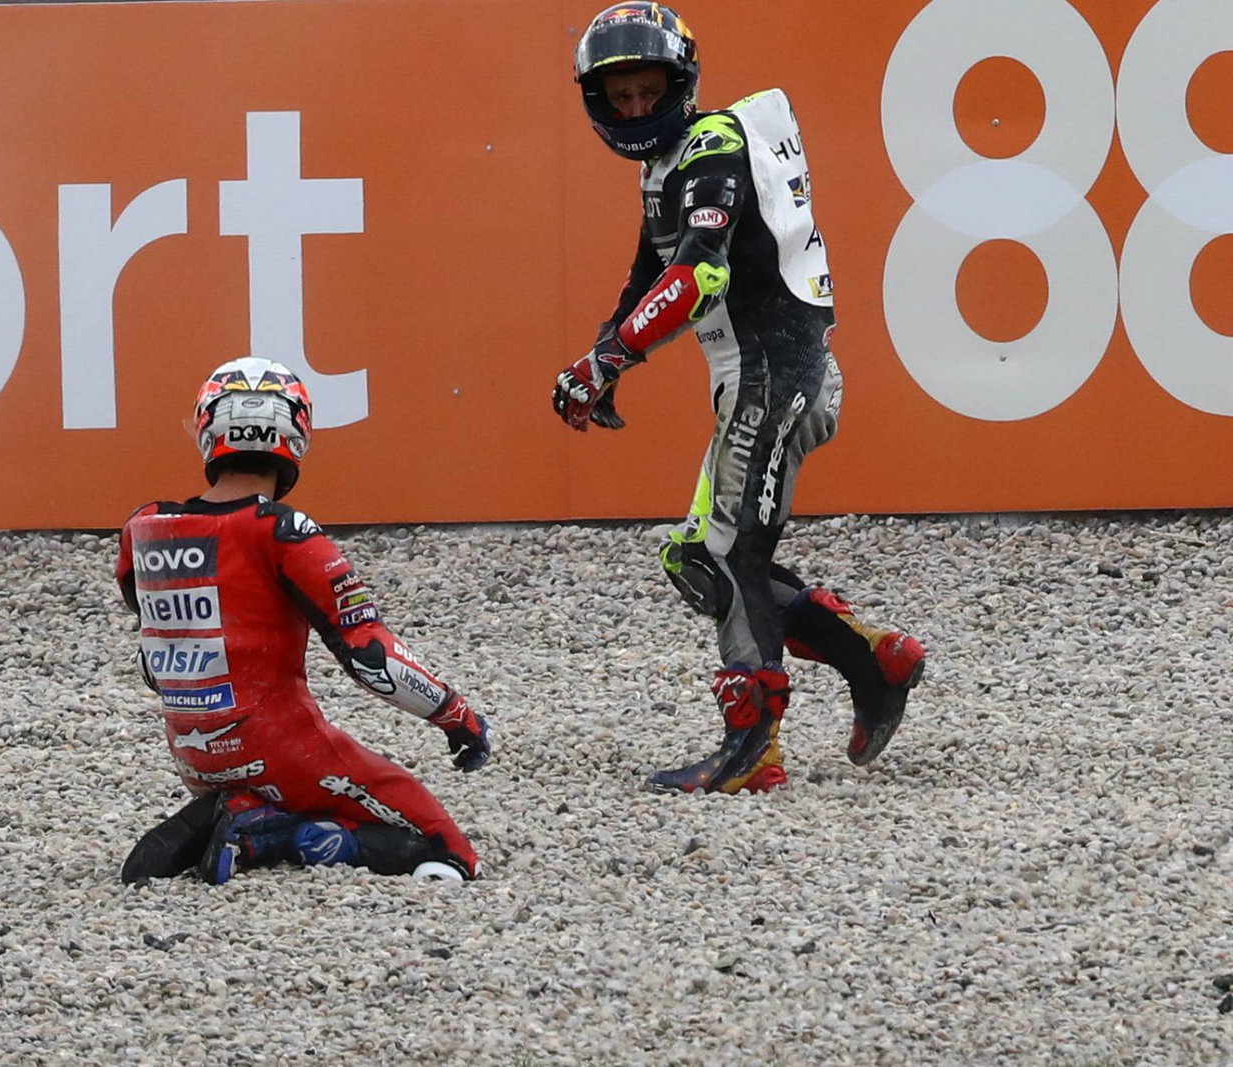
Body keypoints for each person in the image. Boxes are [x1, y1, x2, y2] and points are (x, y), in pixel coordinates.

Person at [553, 2, 926, 795]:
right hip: (758, 375)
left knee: (727, 553)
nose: (634, 109)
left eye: (647, 91)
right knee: (697, 556)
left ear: (678, 83)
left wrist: (610, 358)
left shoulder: (711, 147)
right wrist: (601, 359)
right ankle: (875, 659)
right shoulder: (669, 165)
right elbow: (648, 275)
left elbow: (700, 274)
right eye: (619, 98)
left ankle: (752, 744)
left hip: (776, 373)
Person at [116, 357, 490, 885]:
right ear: (295, 434)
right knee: (451, 857)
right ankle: (273, 836)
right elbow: (370, 656)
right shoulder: (282, 529)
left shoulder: (142, 526)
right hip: (283, 752)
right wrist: (458, 717)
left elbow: (155, 653)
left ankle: (247, 812)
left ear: (208, 429)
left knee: (318, 797)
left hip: (195, 759)